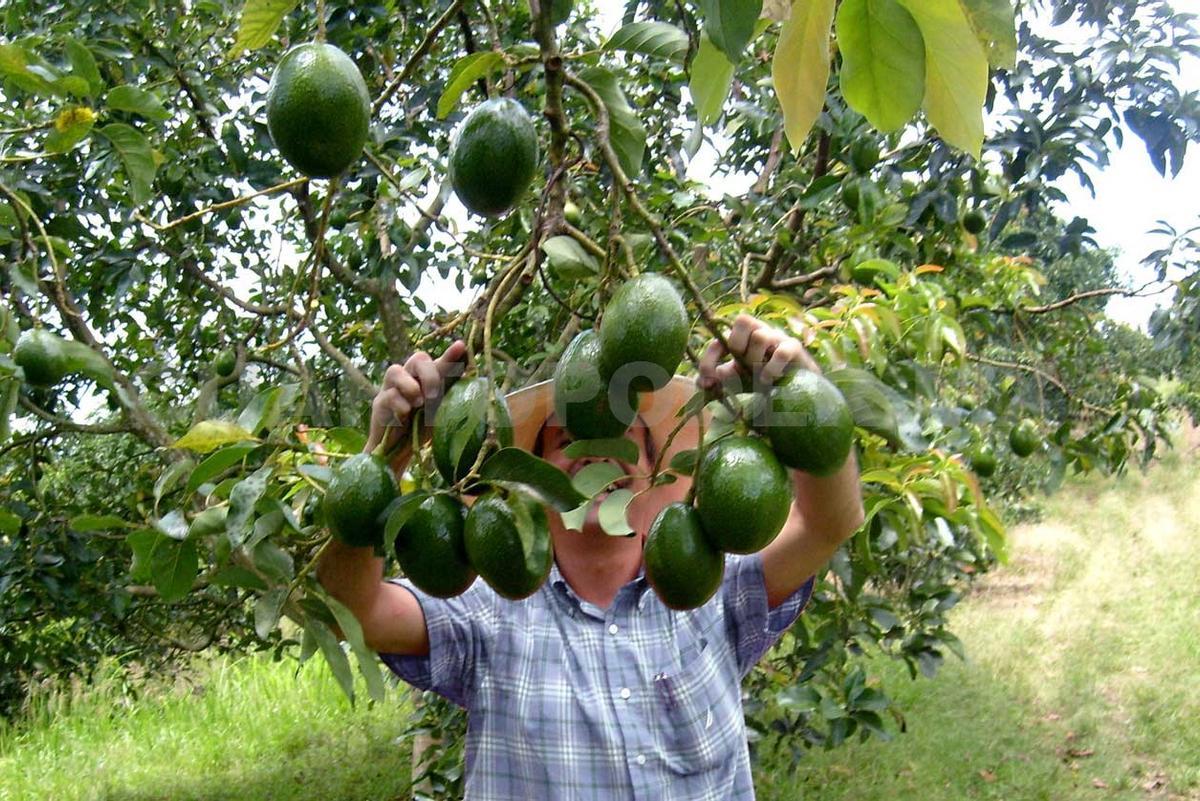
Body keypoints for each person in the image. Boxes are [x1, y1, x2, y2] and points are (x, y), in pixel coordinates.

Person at [318, 314, 865, 801]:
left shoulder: (708, 584)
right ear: (524, 481)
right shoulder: (488, 605)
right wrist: (387, 455)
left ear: (653, 474)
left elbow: (829, 522)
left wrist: (796, 388)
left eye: (623, 436)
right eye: (570, 440)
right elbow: (352, 609)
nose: (599, 450)